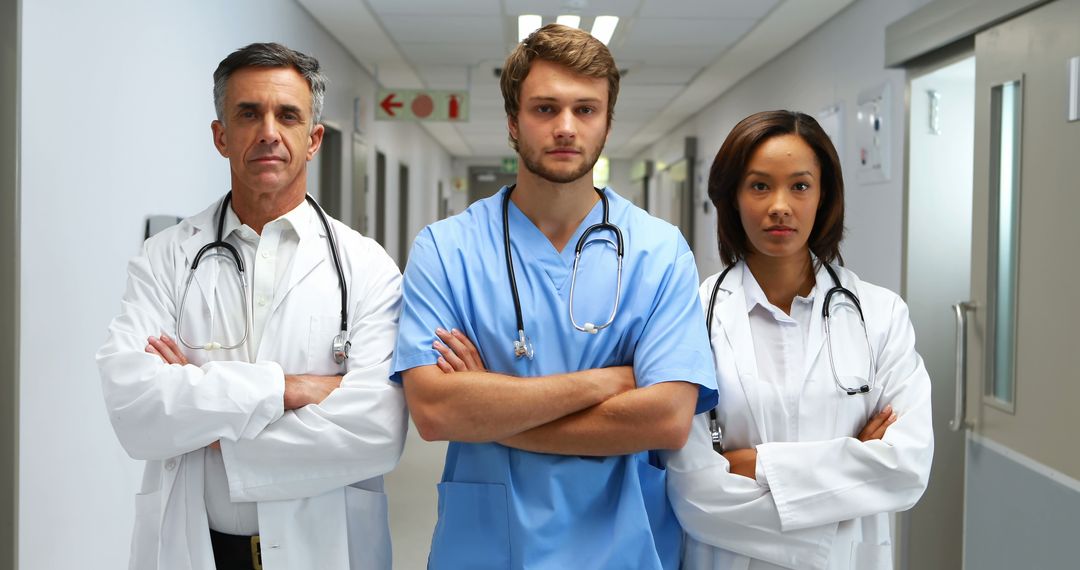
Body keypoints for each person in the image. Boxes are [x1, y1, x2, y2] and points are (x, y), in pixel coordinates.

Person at [391, 24, 718, 569]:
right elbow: (435, 411)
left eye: (585, 110)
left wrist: (493, 407)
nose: (566, 127)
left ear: (608, 122)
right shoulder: (446, 249)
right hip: (488, 546)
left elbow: (665, 419)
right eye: (545, 109)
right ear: (513, 123)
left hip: (623, 545)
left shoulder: (659, 252)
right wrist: (608, 380)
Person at [97, 43, 406, 570]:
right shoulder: (165, 257)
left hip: (325, 548)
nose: (268, 132)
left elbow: (379, 429)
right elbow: (136, 410)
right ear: (221, 136)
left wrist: (211, 426)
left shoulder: (367, 267)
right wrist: (289, 388)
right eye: (248, 114)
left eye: (287, 115)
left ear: (313, 141)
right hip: (196, 548)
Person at [664, 110, 933, 570]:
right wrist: (850, 479)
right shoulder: (690, 315)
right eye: (760, 185)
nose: (780, 205)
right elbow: (693, 491)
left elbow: (906, 468)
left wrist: (752, 464)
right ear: (732, 197)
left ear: (823, 195)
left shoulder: (880, 314)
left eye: (800, 185)